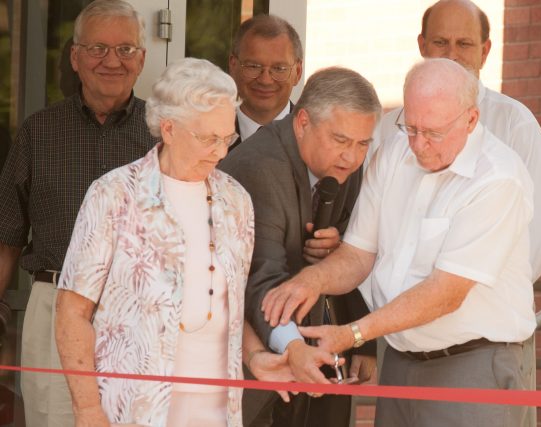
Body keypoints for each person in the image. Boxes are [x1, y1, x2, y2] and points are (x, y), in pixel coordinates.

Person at [262, 58, 535, 427]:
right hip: (402, 360)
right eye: (411, 126)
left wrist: (353, 333)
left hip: (473, 364)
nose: (418, 144)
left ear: (471, 120)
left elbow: (445, 292)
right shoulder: (396, 150)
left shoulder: (498, 179)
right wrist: (311, 281)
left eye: (433, 133)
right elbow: (359, 254)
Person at [55, 57, 294, 427]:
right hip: (133, 408)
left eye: (226, 137)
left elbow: (228, 305)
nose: (220, 151)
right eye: (208, 138)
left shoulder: (236, 201)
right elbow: (72, 312)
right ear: (168, 129)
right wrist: (87, 410)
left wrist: (256, 356)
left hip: (218, 406)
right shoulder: (114, 195)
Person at [0, 1, 157, 425]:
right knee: (52, 417)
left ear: (142, 59)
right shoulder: (39, 131)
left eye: (125, 49)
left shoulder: (164, 134)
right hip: (53, 304)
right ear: (74, 56)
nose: (112, 61)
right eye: (97, 48)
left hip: (140, 310)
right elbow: (8, 233)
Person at [219, 67, 381, 427]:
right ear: (303, 121)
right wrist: (293, 349)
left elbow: (361, 251)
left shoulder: (348, 165)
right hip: (257, 365)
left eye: (362, 143)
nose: (352, 158)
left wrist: (362, 340)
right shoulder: (260, 167)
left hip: (323, 357)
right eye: (341, 140)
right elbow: (263, 276)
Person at [374, 0, 541, 282]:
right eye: (440, 42)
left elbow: (539, 238)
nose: (452, 54)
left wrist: (471, 300)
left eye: (464, 44)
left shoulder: (516, 125)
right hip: (393, 316)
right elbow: (372, 231)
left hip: (485, 318)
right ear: (422, 46)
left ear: (484, 52)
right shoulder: (389, 129)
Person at [227, 14, 302, 149]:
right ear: (233, 66)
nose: (265, 80)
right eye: (253, 66)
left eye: (279, 68)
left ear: (297, 72)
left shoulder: (317, 138)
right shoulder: (206, 136)